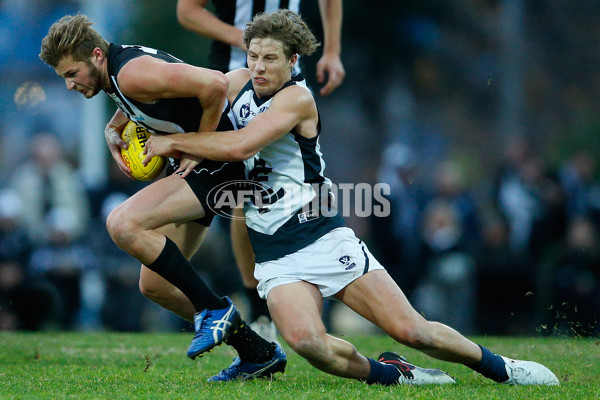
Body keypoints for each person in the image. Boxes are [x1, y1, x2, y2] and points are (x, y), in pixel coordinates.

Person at [143, 10, 560, 386]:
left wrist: (173, 143)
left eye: (270, 58)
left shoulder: (297, 98)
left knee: (412, 330)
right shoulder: (236, 83)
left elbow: (239, 147)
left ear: (292, 61)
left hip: (321, 236)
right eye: (252, 55)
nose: (258, 66)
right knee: (309, 343)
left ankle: (502, 367)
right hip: (274, 252)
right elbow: (188, 86)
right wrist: (129, 117)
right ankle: (397, 376)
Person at [39, 14, 286, 380]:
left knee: (122, 223)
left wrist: (200, 147)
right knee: (155, 285)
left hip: (219, 163)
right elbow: (163, 92)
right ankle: (257, 352)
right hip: (202, 165)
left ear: (95, 55)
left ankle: (214, 312)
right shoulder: (117, 75)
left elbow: (215, 84)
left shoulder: (131, 74)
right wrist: (114, 127)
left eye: (71, 74)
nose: (70, 85)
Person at [176, 0, 345, 338]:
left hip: (283, 73)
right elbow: (187, 12)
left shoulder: (291, 83)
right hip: (229, 75)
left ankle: (297, 292)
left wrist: (332, 51)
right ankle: (256, 303)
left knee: (281, 179)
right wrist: (252, 44)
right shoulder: (248, 62)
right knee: (243, 189)